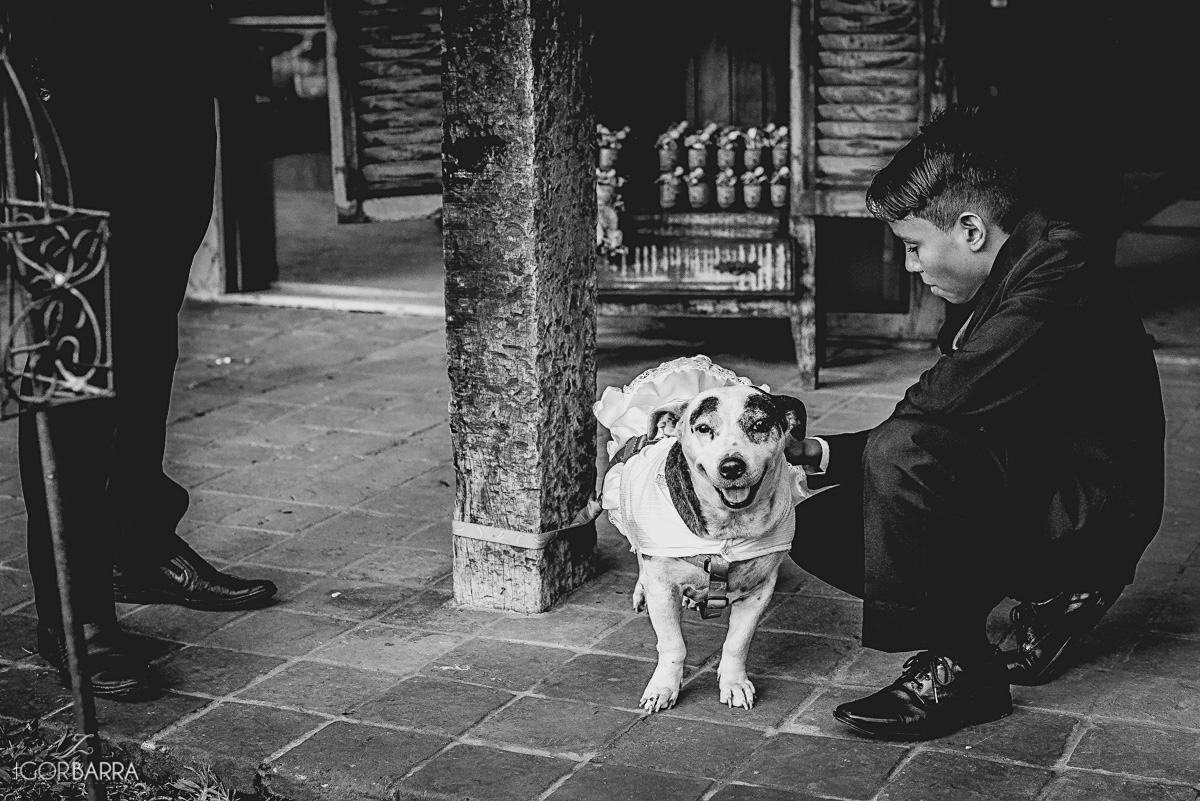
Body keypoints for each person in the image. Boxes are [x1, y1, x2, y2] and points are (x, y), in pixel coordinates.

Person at [785, 105, 1166, 740]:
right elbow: (958, 418)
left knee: (906, 455)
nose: (910, 267)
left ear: (969, 229)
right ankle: (1052, 602)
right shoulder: (1006, 266)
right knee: (818, 525)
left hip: (1091, 509)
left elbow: (936, 416)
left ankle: (963, 670)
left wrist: (874, 455)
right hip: (1034, 475)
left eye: (913, 247)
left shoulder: (1061, 269)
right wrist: (820, 451)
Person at [9, 2, 276, 699]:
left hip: (173, 59)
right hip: (59, 76)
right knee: (72, 341)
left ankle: (136, 538)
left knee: (149, 320)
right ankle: (74, 610)